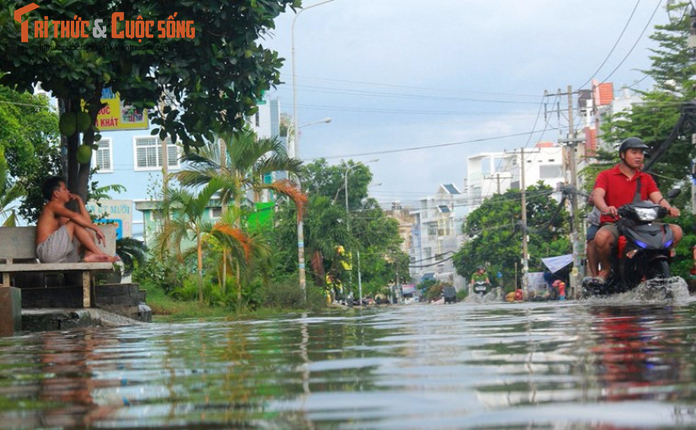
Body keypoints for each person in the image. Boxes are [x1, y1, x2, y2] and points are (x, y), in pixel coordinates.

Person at [591, 137, 682, 284]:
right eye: (634, 152)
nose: (639, 156)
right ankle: (607, 269)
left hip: (642, 226)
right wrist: (605, 208)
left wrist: (669, 208)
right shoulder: (606, 175)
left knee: (676, 231)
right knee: (601, 237)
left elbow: (658, 199)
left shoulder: (646, 178)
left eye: (641, 153)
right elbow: (597, 195)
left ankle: (659, 262)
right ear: (622, 155)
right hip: (616, 224)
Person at [35, 176, 119, 263]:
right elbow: (75, 217)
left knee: (87, 231)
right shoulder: (51, 206)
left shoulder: (61, 214)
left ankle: (89, 255)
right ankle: (101, 255)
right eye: (65, 189)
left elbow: (86, 223)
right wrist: (96, 228)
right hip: (46, 252)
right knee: (74, 222)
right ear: (56, 193)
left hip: (59, 255)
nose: (68, 191)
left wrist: (79, 201)